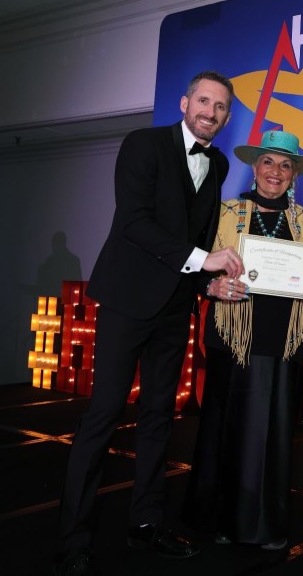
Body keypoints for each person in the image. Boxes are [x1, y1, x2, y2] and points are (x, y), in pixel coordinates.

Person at [56, 71, 244, 576]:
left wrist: (210, 286)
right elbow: (134, 222)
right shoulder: (143, 144)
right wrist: (202, 260)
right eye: (204, 100)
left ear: (226, 117)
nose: (211, 111)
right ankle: (72, 537)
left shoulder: (220, 162)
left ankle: (146, 525)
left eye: (221, 106)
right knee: (103, 415)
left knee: (161, 417)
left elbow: (196, 233)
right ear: (185, 103)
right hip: (125, 300)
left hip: (174, 308)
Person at [182, 130, 303, 551]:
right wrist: (210, 288)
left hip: (285, 342)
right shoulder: (224, 212)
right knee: (227, 431)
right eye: (269, 162)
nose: (276, 172)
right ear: (254, 167)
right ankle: (225, 521)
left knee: (278, 435)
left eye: (286, 165)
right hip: (234, 338)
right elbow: (195, 267)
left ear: (294, 174)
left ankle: (268, 523)